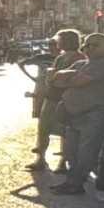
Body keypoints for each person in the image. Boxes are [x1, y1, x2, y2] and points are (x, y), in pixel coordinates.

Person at [52, 33, 104, 195]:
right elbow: (54, 78)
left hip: (95, 114)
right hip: (74, 115)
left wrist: (64, 80)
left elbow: (77, 81)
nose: (89, 48)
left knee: (86, 152)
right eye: (86, 45)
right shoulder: (83, 63)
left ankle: (75, 183)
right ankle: (71, 181)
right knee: (72, 151)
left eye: (94, 45)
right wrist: (60, 78)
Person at [24, 29, 82, 172]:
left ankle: (64, 162)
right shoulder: (60, 58)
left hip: (67, 100)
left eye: (59, 39)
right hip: (51, 98)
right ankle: (41, 159)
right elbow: (50, 79)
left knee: (65, 132)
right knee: (44, 129)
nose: (57, 42)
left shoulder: (79, 58)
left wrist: (55, 79)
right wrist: (54, 79)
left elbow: (71, 79)